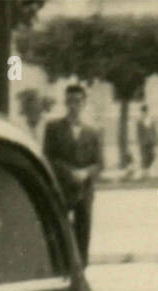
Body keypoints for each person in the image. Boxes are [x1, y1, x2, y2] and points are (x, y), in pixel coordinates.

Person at [43, 83, 104, 265]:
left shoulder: (92, 132)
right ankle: (62, 266)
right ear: (65, 102)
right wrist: (69, 172)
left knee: (83, 232)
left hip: (84, 191)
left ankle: (82, 269)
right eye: (70, 101)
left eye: (77, 101)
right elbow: (49, 157)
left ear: (84, 103)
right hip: (62, 188)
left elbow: (99, 163)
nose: (73, 105)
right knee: (60, 230)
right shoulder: (53, 128)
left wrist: (86, 173)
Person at [136, 105, 158, 172]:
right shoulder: (139, 121)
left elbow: (154, 130)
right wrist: (139, 141)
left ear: (147, 112)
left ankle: (146, 168)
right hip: (143, 141)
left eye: (145, 111)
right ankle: (144, 170)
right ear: (141, 112)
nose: (144, 113)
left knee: (153, 155)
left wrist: (156, 140)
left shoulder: (151, 120)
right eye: (143, 112)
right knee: (144, 156)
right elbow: (138, 132)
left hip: (151, 141)